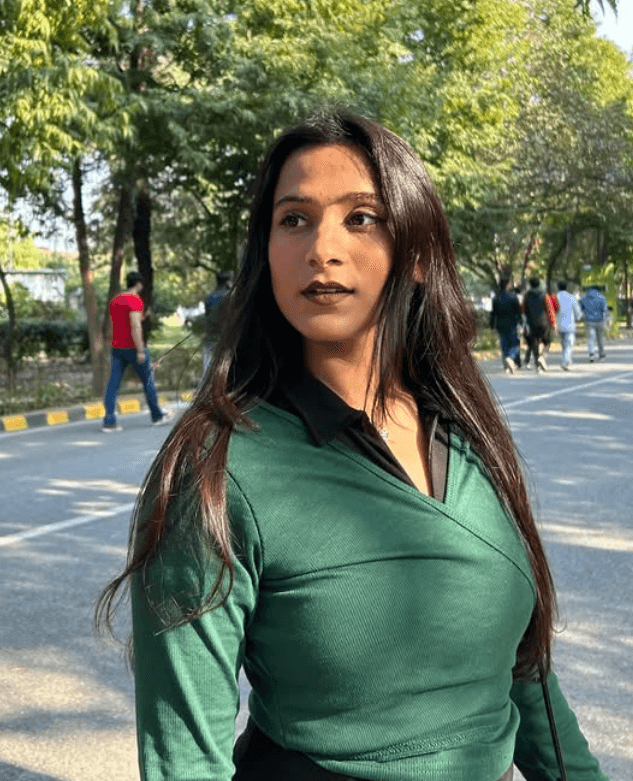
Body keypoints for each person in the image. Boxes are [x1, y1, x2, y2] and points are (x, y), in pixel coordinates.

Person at [97, 112, 610, 781]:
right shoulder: (215, 473)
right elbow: (185, 762)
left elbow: (520, 670)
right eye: (294, 219)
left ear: (418, 255)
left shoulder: (467, 432)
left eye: (360, 218)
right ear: (266, 252)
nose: (321, 248)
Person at [102, 271, 169, 431]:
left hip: (117, 348)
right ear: (138, 284)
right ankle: (157, 415)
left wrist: (141, 317)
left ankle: (109, 420)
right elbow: (135, 326)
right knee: (147, 381)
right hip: (132, 348)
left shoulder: (115, 300)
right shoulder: (134, 300)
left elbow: (119, 322)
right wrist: (140, 350)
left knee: (113, 384)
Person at [521, 277, 556, 372]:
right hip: (544, 322)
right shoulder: (544, 295)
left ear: (530, 285)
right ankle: (542, 356)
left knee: (534, 343)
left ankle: (537, 365)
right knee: (546, 340)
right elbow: (549, 309)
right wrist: (553, 323)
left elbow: (523, 309)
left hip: (531, 322)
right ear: (539, 284)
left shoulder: (526, 295)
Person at [202, 270, 234, 372]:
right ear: (228, 282)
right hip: (227, 341)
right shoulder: (231, 296)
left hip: (210, 339)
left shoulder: (208, 298)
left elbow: (208, 318)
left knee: (208, 371)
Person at [490, 279, 521, 373]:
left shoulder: (496, 298)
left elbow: (493, 313)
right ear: (507, 286)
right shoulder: (513, 296)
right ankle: (510, 358)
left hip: (500, 324)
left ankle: (506, 364)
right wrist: (520, 323)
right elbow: (518, 311)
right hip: (512, 323)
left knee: (504, 344)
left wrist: (492, 326)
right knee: (514, 344)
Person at [556, 280, 583, 371]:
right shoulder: (571, 297)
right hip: (569, 324)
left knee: (564, 343)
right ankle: (565, 361)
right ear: (566, 287)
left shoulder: (555, 297)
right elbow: (577, 310)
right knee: (569, 344)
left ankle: (567, 358)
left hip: (558, 324)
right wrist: (579, 316)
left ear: (558, 287)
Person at [580, 286, 607, 362]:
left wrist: (584, 315)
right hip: (600, 320)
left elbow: (581, 308)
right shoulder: (601, 297)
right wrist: (605, 321)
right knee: (600, 338)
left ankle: (592, 354)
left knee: (591, 338)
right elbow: (604, 310)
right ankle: (602, 355)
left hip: (589, 321)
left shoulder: (584, 297)